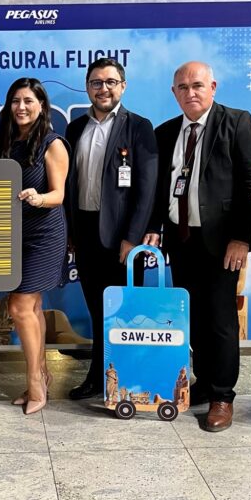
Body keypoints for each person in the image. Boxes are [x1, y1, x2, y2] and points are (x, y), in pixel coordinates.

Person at [144, 61, 251, 432]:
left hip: (222, 242)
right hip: (181, 240)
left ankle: (222, 396)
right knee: (192, 317)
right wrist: (153, 228)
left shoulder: (236, 122)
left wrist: (242, 238)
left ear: (212, 87)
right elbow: (158, 189)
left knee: (221, 321)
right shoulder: (166, 132)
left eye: (197, 85)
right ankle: (205, 382)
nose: (190, 92)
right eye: (182, 87)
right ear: (174, 93)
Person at [64, 57, 157, 400]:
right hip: (85, 232)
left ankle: (126, 382)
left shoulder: (139, 127)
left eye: (110, 82)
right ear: (87, 87)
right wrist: (70, 232)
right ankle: (99, 377)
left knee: (123, 313)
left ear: (123, 86)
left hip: (121, 238)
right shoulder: (75, 128)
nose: (103, 89)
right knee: (97, 309)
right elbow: (68, 185)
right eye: (96, 82)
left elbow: (146, 188)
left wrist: (132, 238)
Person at [0, 78, 68, 415]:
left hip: (44, 235)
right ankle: (41, 375)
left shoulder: (52, 144)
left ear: (41, 105)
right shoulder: (9, 142)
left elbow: (59, 194)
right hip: (15, 235)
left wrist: (39, 198)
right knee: (33, 307)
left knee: (19, 306)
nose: (21, 107)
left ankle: (36, 384)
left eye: (28, 101)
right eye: (15, 101)